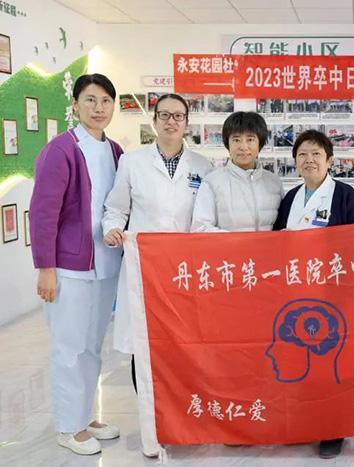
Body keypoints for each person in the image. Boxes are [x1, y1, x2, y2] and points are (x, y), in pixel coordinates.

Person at [101, 93, 213, 455]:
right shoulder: (132, 162)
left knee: (184, 348)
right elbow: (116, 209)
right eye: (164, 115)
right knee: (145, 346)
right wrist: (112, 229)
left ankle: (185, 419)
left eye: (178, 116)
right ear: (154, 119)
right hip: (145, 271)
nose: (171, 121)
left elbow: (207, 219)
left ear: (187, 122)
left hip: (186, 273)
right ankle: (153, 423)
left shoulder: (203, 166)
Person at [29, 73, 122, 456]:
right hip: (69, 268)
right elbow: (43, 213)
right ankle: (68, 427)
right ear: (75, 104)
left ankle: (85, 416)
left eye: (105, 101)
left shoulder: (115, 150)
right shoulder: (60, 150)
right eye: (90, 100)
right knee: (69, 347)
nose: (99, 108)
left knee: (93, 347)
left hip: (105, 265)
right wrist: (46, 268)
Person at [273, 129, 354, 458]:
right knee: (300, 361)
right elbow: (276, 242)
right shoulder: (290, 198)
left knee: (328, 364)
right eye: (302, 154)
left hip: (334, 295)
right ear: (295, 162)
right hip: (296, 295)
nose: (309, 160)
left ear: (330, 160)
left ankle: (333, 428)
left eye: (316, 154)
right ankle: (306, 423)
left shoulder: (345, 196)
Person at [191, 111, 284, 232]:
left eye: (250, 139)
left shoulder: (274, 183)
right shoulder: (212, 183)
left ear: (260, 144)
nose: (243, 147)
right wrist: (237, 241)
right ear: (227, 144)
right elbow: (200, 228)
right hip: (228, 245)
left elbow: (282, 226)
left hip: (269, 246)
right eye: (236, 140)